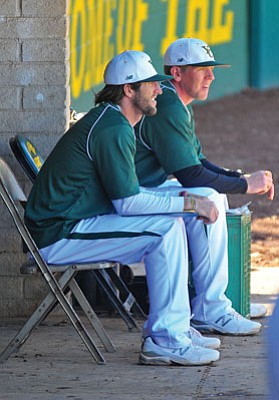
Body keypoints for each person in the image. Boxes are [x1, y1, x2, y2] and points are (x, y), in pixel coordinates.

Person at [24, 50, 221, 366]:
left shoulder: (112, 121)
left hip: (76, 222)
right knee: (165, 229)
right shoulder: (112, 128)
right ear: (129, 90)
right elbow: (127, 203)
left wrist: (184, 206)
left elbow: (129, 193)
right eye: (151, 84)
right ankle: (166, 339)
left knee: (170, 222)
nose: (159, 89)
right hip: (58, 234)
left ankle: (176, 328)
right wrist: (190, 203)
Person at [135, 38, 275, 335]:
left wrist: (237, 177)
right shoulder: (169, 105)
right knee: (208, 195)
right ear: (177, 72)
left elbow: (199, 161)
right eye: (202, 69)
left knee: (215, 196)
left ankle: (221, 301)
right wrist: (245, 184)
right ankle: (211, 308)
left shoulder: (177, 102)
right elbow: (191, 176)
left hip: (145, 187)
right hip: (130, 195)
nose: (211, 76)